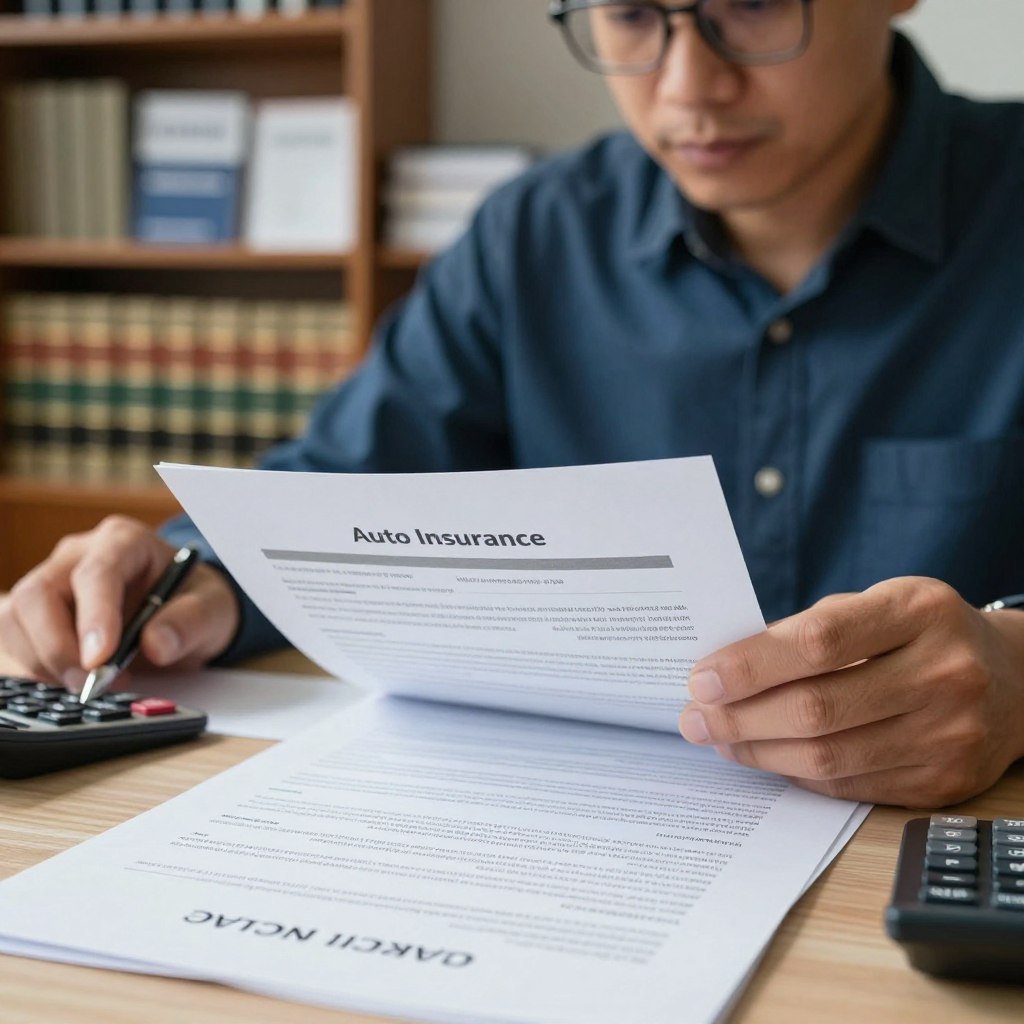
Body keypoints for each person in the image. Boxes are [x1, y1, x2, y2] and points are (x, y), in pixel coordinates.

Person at [1, 0, 1022, 807]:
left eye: (750, 5)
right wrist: (195, 579)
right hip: (586, 852)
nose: (688, 85)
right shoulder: (531, 238)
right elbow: (347, 481)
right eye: (629, 15)